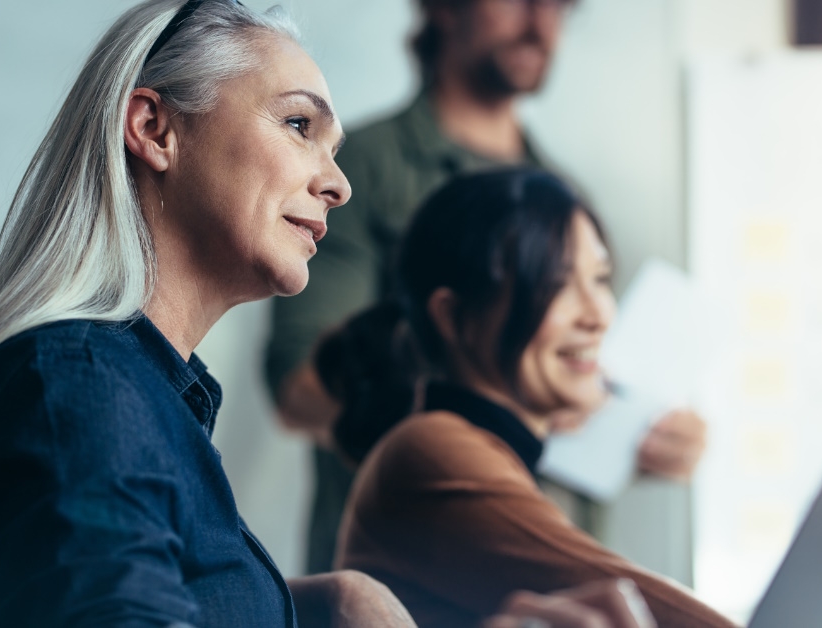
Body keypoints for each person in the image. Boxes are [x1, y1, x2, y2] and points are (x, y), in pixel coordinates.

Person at [0, 1, 417, 625]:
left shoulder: (118, 391)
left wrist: (325, 604)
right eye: (300, 124)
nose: (339, 184)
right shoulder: (78, 383)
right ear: (153, 128)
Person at [265, 0, 708, 576]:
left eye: (559, 4)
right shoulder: (358, 173)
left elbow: (582, 374)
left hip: (555, 574)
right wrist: (502, 384)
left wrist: (637, 431)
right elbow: (300, 388)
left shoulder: (562, 193)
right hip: (409, 577)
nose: (540, 19)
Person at [315, 168, 736, 628]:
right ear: (455, 318)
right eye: (555, 283)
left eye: (600, 279)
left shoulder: (479, 451)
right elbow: (657, 613)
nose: (598, 315)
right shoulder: (431, 449)